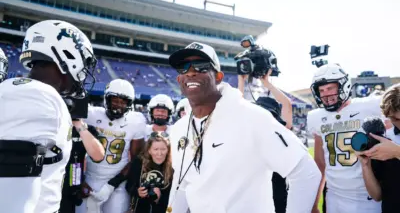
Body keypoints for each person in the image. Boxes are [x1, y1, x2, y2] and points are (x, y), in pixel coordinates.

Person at [167, 42, 321, 213]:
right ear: (178, 79)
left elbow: (306, 173)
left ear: (218, 77)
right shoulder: (179, 129)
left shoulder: (252, 117)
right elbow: (182, 184)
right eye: (183, 68)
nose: (191, 72)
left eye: (201, 67)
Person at [0, 20, 97, 213]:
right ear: (68, 55)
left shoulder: (12, 89)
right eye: (83, 62)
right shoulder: (40, 98)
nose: (83, 72)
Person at [308, 63, 384, 213]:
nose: (325, 94)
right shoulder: (316, 117)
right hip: (334, 196)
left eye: (330, 88)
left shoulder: (370, 105)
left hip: (367, 195)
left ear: (344, 85)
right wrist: (315, 203)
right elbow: (320, 163)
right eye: (321, 90)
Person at [76, 79, 146, 213]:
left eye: (123, 102)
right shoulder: (91, 114)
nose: (118, 105)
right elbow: (76, 150)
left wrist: (112, 184)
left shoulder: (135, 121)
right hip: (90, 177)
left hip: (118, 181)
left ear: (130, 104)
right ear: (106, 99)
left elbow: (137, 159)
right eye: (114, 100)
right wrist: (80, 179)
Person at [357, 84, 400, 213]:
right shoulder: (385, 139)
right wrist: (366, 166)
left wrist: (397, 152)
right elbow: (377, 195)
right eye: (391, 118)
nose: (395, 122)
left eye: (398, 118)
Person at [126, 132, 173, 213]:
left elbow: (175, 195)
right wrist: (137, 192)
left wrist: (160, 198)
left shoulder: (173, 167)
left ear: (168, 150)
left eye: (163, 149)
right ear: (149, 150)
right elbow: (128, 186)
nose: (159, 153)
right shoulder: (139, 163)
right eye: (155, 149)